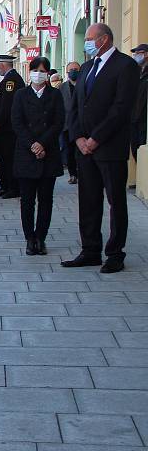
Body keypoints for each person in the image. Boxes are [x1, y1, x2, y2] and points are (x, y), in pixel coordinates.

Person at [62, 23, 140, 273]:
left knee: (115, 201)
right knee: (88, 200)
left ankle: (115, 253)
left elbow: (121, 108)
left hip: (109, 148)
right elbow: (74, 107)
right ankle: (90, 250)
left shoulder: (125, 66)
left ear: (104, 39)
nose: (86, 42)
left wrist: (96, 138)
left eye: (89, 38)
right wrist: (78, 138)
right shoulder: (86, 68)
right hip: (84, 149)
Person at [11, 56, 65, 256]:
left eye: (43, 71)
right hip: (26, 153)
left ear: (48, 73)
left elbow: (58, 122)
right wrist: (32, 144)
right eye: (36, 70)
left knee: (45, 199)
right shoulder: (21, 95)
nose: (39, 74)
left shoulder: (55, 95)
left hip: (48, 152)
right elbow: (17, 122)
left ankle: (41, 237)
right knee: (27, 200)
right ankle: (29, 238)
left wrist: (43, 143)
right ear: (30, 72)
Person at [0, 54, 25, 198]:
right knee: (3, 158)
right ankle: (5, 185)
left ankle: (13, 187)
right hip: (5, 127)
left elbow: (7, 105)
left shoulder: (11, 80)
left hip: (8, 128)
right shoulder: (8, 80)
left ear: (3, 65)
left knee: (8, 158)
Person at [60, 61, 82, 184]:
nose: (74, 71)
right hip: (67, 125)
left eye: (76, 69)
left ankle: (82, 173)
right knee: (69, 150)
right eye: (71, 69)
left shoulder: (84, 84)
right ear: (67, 72)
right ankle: (73, 174)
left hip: (82, 124)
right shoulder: (62, 87)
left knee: (80, 150)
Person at [131, 43, 148, 159]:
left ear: (146, 54)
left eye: (138, 53)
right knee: (135, 148)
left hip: (144, 119)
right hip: (133, 119)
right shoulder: (135, 72)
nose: (135, 56)